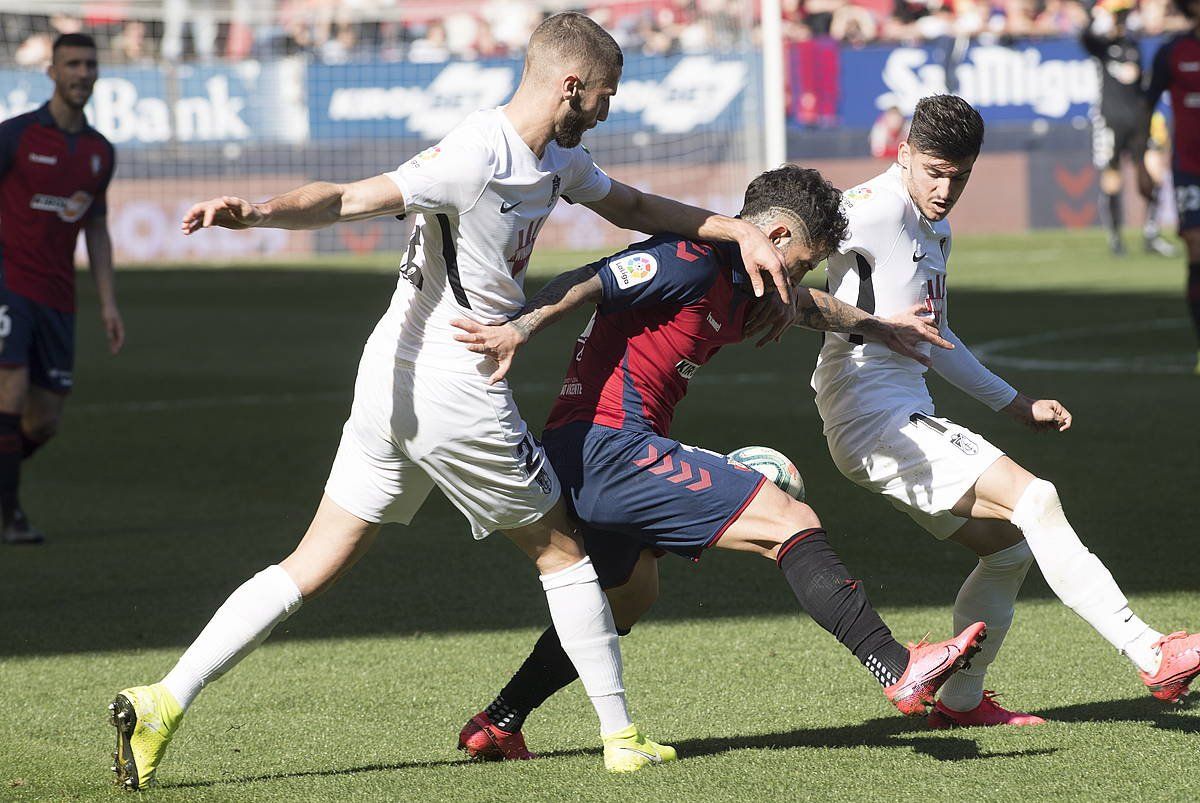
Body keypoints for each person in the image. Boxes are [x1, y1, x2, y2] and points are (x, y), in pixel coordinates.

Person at [106, 12, 802, 789]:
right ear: (572, 86)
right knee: (563, 552)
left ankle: (164, 699)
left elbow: (636, 208)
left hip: (389, 381)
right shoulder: (473, 154)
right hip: (453, 380)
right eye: (605, 95)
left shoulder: (555, 161)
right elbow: (347, 198)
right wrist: (260, 212)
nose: (608, 109)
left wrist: (735, 229)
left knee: (313, 560)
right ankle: (621, 734)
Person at [449, 165, 987, 761]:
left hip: (603, 453)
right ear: (777, 237)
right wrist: (518, 328)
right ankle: (896, 667)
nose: (797, 281)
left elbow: (811, 308)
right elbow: (590, 280)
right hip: (607, 447)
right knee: (789, 521)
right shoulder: (691, 260)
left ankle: (499, 721)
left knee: (630, 593)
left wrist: (881, 328)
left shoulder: (746, 283)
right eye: (802, 263)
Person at [812, 94, 1200, 729]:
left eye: (958, 176)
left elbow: (941, 339)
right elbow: (777, 247)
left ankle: (962, 702)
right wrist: (865, 321)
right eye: (933, 171)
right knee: (1037, 499)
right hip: (870, 416)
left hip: (895, 414)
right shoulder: (870, 207)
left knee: (1010, 549)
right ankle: (1150, 650)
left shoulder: (933, 226)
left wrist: (1014, 403)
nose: (944, 189)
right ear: (904, 154)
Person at [0, 32, 122, 546]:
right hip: (8, 282)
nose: (82, 73)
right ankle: (10, 517)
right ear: (51, 71)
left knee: (45, 419)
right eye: (72, 64)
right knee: (11, 390)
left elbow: (95, 227)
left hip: (57, 293)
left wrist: (109, 302)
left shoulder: (99, 153)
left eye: (90, 64)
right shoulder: (15, 137)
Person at [1082, 0, 1176, 257]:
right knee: (1112, 177)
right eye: (1117, 17)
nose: (1121, 22)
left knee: (1151, 172)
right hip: (1111, 119)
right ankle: (1115, 237)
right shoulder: (1100, 46)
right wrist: (1094, 16)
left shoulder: (1132, 44)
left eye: (1124, 17)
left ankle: (1150, 233)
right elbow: (1086, 37)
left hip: (1136, 119)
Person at [1145, 0, 1200, 374]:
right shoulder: (1173, 51)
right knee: (1196, 246)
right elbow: (1146, 104)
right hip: (1190, 169)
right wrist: (1139, 160)